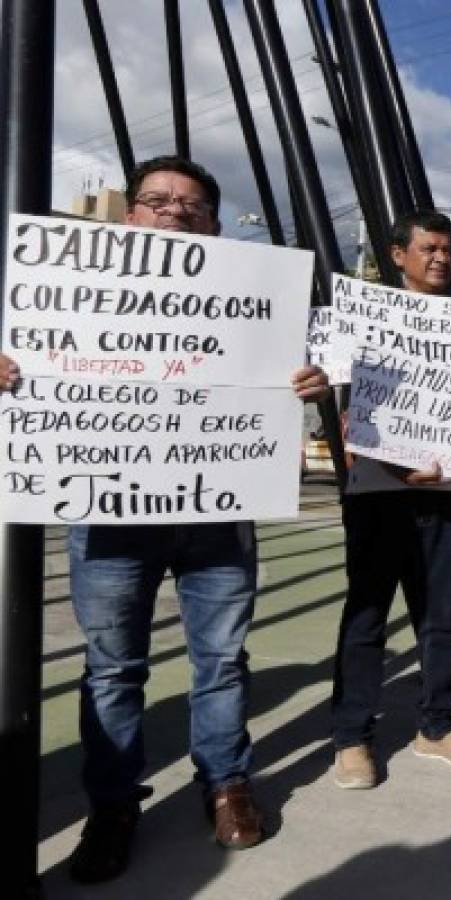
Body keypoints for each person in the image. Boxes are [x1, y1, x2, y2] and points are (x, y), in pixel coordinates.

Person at [0, 155, 330, 883]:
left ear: (214, 223)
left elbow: (289, 380)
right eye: (158, 200)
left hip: (218, 508)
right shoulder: (67, 291)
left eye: (192, 204)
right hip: (109, 512)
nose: (175, 212)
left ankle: (227, 782)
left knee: (221, 660)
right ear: (130, 217)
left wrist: (307, 381)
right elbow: (30, 366)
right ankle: (114, 805)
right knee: (114, 669)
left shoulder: (255, 303)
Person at [330, 210, 451, 789]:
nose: (441, 258)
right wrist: (396, 462)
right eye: (428, 248)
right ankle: (352, 737)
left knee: (443, 617)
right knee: (367, 615)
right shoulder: (365, 318)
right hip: (378, 489)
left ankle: (437, 726)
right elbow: (343, 394)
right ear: (398, 255)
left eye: (448, 249)